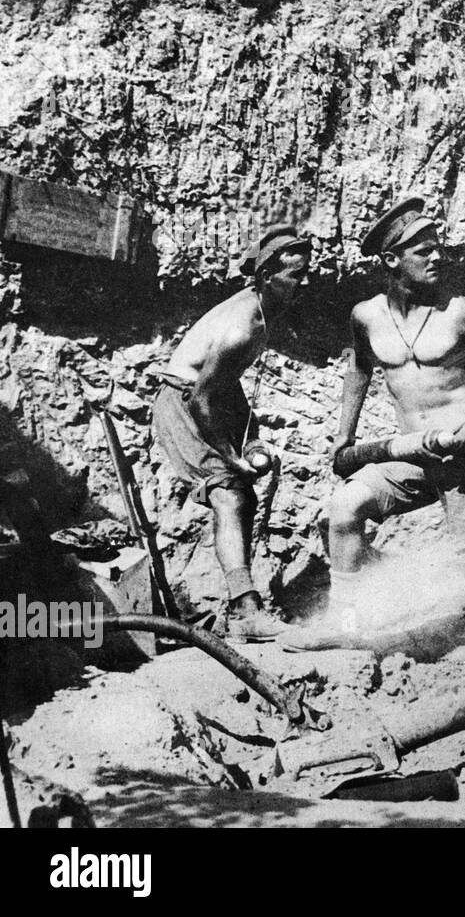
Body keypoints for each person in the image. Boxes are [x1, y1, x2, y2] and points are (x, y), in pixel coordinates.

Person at [300, 196, 465, 666]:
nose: (437, 256)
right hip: (410, 452)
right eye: (423, 250)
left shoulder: (464, 312)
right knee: (344, 508)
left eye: (438, 246)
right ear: (391, 261)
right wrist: (344, 436)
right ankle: (347, 628)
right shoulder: (367, 315)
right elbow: (358, 370)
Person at [152, 224, 311, 642]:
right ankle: (246, 612)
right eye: (295, 275)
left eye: (305, 273)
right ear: (266, 278)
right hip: (183, 404)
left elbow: (225, 385)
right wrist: (232, 455)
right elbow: (202, 397)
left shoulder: (258, 312)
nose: (303, 284)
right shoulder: (243, 326)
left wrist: (250, 434)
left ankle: (241, 608)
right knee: (228, 493)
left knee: (243, 495)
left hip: (210, 398)